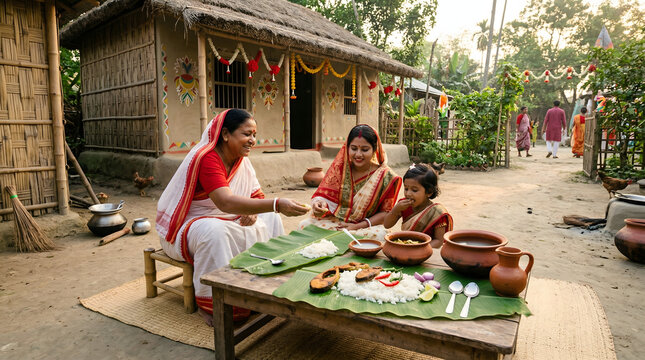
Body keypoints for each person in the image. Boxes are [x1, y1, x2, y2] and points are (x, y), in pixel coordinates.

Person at [156, 109, 308, 324]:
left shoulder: (241, 159)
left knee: (270, 218)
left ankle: (264, 285)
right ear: (226, 134)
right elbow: (225, 202)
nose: (252, 140)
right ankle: (217, 303)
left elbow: (255, 195)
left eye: (254, 135)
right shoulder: (207, 158)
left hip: (226, 217)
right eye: (247, 134)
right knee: (214, 231)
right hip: (187, 226)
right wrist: (276, 204)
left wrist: (254, 213)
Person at [300, 124, 402, 240]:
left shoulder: (386, 177)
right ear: (347, 148)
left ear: (374, 150)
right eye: (353, 148)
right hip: (336, 222)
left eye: (364, 149)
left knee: (379, 235)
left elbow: (385, 214)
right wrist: (320, 203)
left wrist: (358, 226)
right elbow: (325, 197)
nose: (358, 154)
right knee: (304, 225)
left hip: (366, 226)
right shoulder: (340, 169)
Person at [383, 164, 453, 248]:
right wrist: (395, 210)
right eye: (406, 188)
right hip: (406, 245)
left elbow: (439, 241)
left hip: (426, 251)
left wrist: (419, 247)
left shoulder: (437, 213)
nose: (408, 193)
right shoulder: (402, 205)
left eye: (414, 190)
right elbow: (387, 225)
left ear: (429, 192)